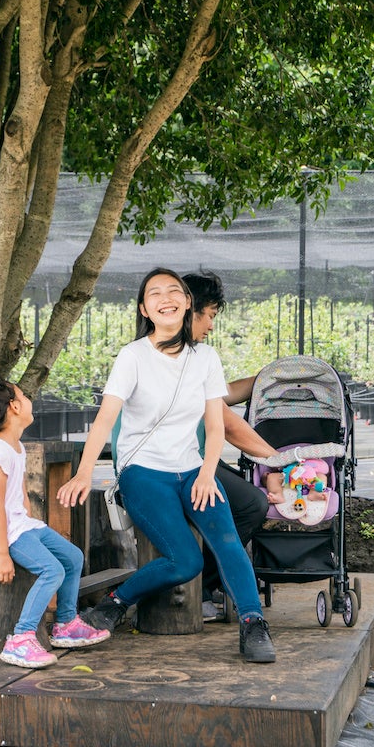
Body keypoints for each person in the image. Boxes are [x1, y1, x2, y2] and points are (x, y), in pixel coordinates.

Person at [54, 267, 275, 664]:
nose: (166, 297)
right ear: (145, 308)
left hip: (192, 468)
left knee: (228, 542)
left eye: (174, 290)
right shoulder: (132, 356)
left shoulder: (206, 357)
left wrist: (208, 472)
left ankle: (253, 622)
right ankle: (116, 602)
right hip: (144, 472)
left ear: (187, 303)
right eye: (155, 293)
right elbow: (105, 419)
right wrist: (85, 471)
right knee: (185, 560)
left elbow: (214, 422)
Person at [0, 369, 112, 668]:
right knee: (52, 570)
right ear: (13, 407)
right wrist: (2, 555)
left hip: (22, 525)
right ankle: (21, 639)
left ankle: (65, 624)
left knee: (73, 557)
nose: (29, 401)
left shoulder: (16, 446)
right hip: (7, 533)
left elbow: (18, 496)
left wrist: (30, 519)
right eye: (24, 397)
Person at [182, 269, 280, 620]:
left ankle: (209, 583)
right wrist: (277, 459)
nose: (210, 325)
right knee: (251, 504)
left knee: (246, 498)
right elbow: (226, 422)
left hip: (196, 457)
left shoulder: (195, 356)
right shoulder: (180, 358)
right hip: (174, 464)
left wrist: (266, 378)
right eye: (207, 316)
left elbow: (221, 397)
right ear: (187, 309)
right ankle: (203, 585)